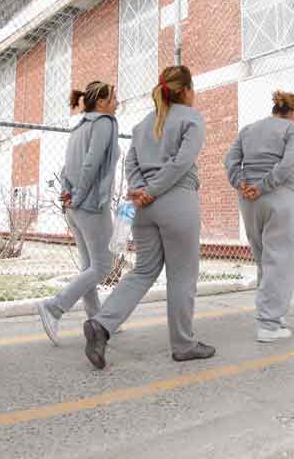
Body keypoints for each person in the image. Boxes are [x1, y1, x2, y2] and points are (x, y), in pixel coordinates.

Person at [82, 66, 215, 369]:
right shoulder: (192, 118)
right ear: (186, 90)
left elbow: (131, 162)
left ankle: (101, 324)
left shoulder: (143, 124)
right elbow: (182, 162)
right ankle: (183, 345)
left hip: (143, 208)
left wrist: (141, 190)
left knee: (143, 271)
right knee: (182, 276)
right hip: (177, 201)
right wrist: (152, 190)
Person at [37, 82, 120, 344]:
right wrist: (81, 196)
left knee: (89, 267)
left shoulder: (79, 127)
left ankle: (98, 321)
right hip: (90, 205)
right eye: (114, 98)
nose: (117, 102)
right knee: (103, 267)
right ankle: (54, 307)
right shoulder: (105, 122)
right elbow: (91, 163)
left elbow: (66, 168)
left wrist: (69, 195)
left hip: (74, 207)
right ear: (102, 102)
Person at [224, 90, 294, 341]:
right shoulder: (292, 129)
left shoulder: (248, 130)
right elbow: (291, 162)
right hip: (280, 197)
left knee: (264, 261)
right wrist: (264, 185)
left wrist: (241, 183)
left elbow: (230, 160)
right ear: (293, 112)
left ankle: (272, 316)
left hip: (249, 201)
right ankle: (269, 325)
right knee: (280, 261)